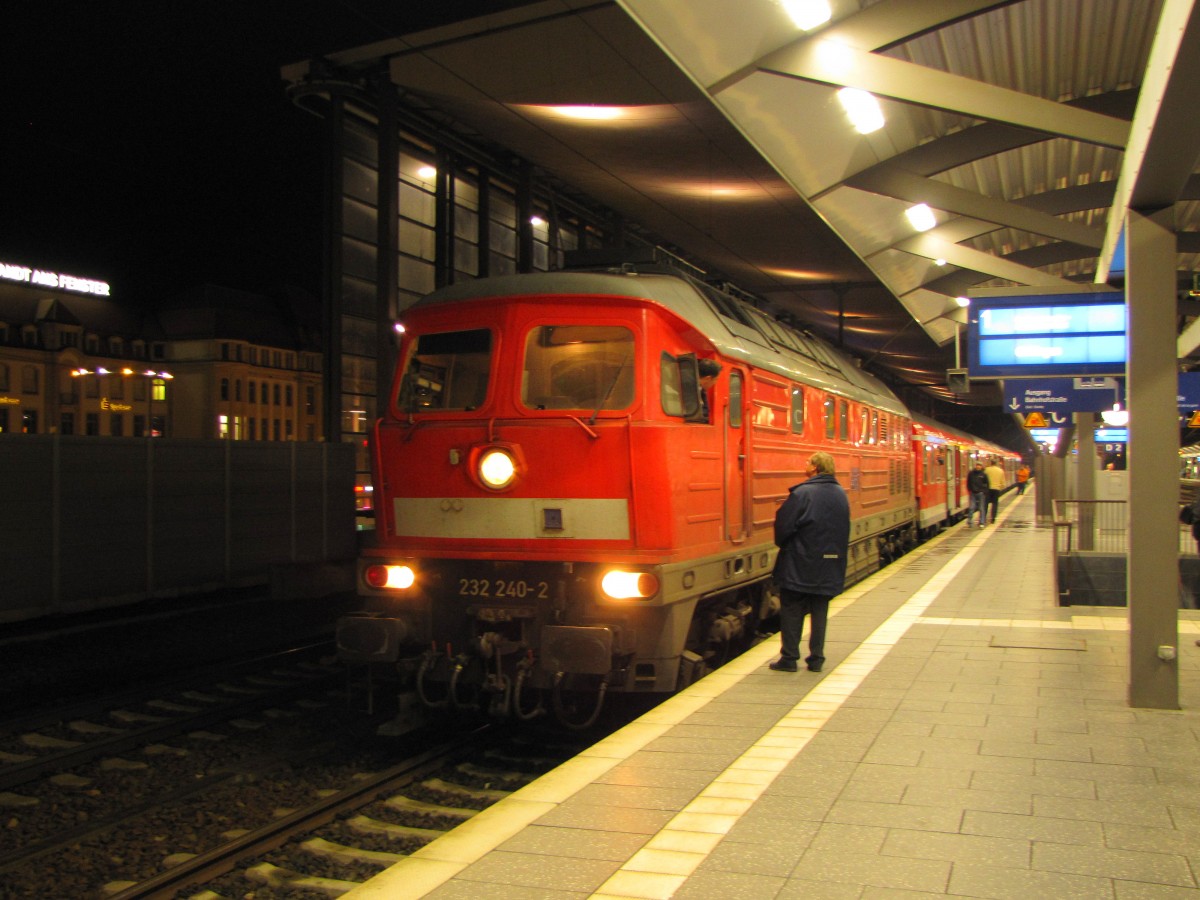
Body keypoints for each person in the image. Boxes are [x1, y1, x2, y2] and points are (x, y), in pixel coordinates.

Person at [769, 451, 851, 673]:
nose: (805, 465)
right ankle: (816, 658)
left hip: (800, 562)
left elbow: (783, 527)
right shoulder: (840, 494)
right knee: (820, 610)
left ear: (815, 467)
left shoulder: (802, 493)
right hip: (829, 563)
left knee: (792, 609)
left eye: (808, 462)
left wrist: (785, 545)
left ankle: (789, 658)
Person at [697, 358, 721, 422]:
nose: (715, 383)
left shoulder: (701, 390)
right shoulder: (690, 391)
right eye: (716, 379)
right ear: (708, 379)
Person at [983, 457, 1005, 525]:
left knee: (985, 504)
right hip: (996, 489)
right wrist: (1000, 488)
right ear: (996, 463)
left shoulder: (987, 470)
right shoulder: (1000, 471)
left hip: (988, 489)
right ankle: (993, 519)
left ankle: (984, 517)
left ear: (991, 463)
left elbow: (983, 479)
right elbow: (1003, 482)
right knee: (995, 504)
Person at [967, 461, 989, 527]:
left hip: (981, 493)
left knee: (981, 508)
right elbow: (968, 482)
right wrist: (970, 489)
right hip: (973, 493)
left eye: (979, 465)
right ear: (975, 466)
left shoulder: (984, 474)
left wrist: (984, 491)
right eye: (977, 465)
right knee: (971, 507)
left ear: (981, 466)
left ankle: (982, 522)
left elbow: (987, 483)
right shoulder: (971, 474)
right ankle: (970, 522)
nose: (978, 466)